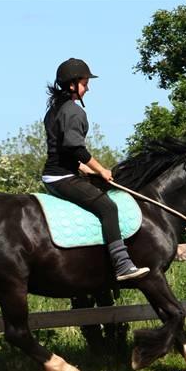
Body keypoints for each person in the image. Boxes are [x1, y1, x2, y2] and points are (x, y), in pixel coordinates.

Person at [41, 58, 149, 282]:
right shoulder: (73, 111)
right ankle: (122, 264)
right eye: (85, 82)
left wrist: (83, 169)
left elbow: (63, 150)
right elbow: (75, 148)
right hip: (62, 177)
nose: (88, 87)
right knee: (108, 207)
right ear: (73, 84)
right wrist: (100, 169)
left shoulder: (54, 110)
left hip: (57, 173)